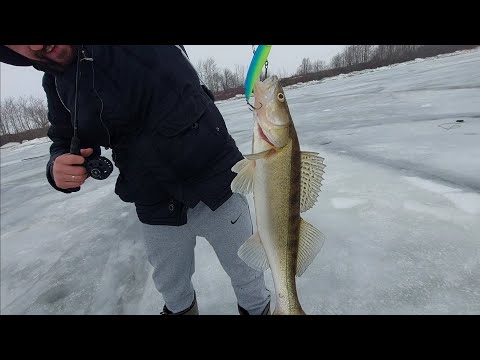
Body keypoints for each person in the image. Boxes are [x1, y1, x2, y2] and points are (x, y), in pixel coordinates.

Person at [0, 45, 271, 315]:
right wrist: (58, 164)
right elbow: (65, 136)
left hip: (218, 182)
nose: (36, 45)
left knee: (248, 277)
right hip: (153, 200)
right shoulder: (56, 83)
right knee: (172, 289)